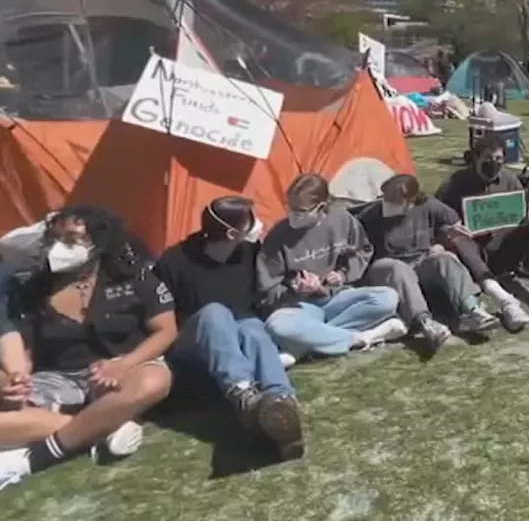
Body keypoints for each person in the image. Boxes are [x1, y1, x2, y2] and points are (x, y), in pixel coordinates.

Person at [0, 207, 176, 489]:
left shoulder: (133, 276)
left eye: (71, 240)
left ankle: (35, 458)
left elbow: (166, 330)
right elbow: (27, 351)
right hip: (58, 378)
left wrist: (124, 364)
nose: (59, 248)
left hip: (124, 368)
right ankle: (103, 428)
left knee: (155, 380)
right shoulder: (33, 288)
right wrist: (16, 383)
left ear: (99, 242)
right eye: (55, 240)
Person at [153, 196, 303, 460]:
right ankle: (243, 393)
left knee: (252, 328)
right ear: (233, 233)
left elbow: (264, 295)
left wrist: (295, 288)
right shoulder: (175, 262)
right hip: (194, 346)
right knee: (215, 312)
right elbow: (161, 317)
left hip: (241, 336)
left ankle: (280, 405)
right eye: (251, 220)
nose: (258, 224)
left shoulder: (249, 254)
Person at [258, 174, 406, 359]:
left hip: (336, 297)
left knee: (387, 297)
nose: (293, 215)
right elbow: (266, 290)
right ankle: (361, 337)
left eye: (300, 210)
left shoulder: (342, 220)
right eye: (289, 207)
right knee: (276, 327)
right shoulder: (278, 236)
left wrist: (343, 274)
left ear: (320, 207)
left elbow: (362, 250)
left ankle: (306, 344)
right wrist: (295, 291)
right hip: (299, 306)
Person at [357, 174, 500, 352]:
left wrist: (445, 239)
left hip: (421, 261)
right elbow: (354, 239)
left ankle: (472, 310)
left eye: (395, 200)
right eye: (386, 198)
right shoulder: (371, 216)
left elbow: (452, 221)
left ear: (411, 200)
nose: (388, 204)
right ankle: (425, 323)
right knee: (397, 268)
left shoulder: (428, 205)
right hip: (388, 267)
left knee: (444, 259)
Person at [436, 135, 529, 321]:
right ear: (476, 158)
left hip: (505, 246)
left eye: (498, 159)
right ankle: (506, 301)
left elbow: (523, 206)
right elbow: (436, 216)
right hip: (474, 252)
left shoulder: (509, 179)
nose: (494, 163)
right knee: (459, 240)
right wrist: (450, 229)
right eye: (488, 158)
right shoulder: (455, 183)